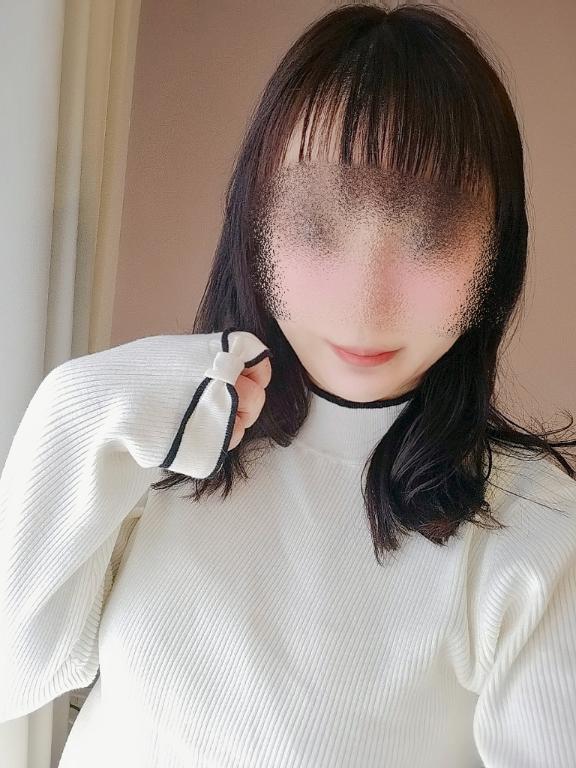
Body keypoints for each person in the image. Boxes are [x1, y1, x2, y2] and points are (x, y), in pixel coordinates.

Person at [1, 3, 576, 767]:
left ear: (497, 253)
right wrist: (82, 409)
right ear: (256, 225)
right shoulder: (159, 433)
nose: (365, 302)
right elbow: (13, 673)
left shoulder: (534, 536)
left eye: (429, 237)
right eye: (317, 226)